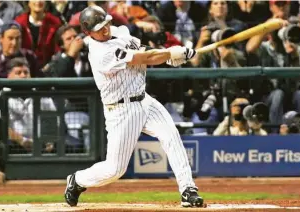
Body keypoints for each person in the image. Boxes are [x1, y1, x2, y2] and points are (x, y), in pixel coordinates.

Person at [64, 6, 203, 208]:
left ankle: (188, 189)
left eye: (106, 24)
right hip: (121, 111)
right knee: (115, 170)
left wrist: (169, 56)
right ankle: (77, 180)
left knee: (171, 135)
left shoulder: (120, 32)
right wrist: (170, 53)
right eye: (98, 28)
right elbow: (142, 59)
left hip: (144, 100)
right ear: (87, 32)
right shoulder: (101, 53)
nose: (104, 30)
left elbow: (143, 50)